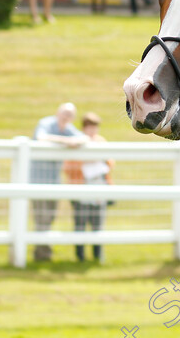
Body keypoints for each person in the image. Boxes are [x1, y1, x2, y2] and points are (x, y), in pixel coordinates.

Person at [31, 102, 86, 261]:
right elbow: (41, 138)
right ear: (58, 113)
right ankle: (42, 254)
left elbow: (83, 139)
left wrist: (65, 141)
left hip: (53, 182)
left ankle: (42, 252)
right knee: (42, 218)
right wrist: (66, 142)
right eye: (64, 114)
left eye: (69, 115)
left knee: (50, 217)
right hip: (38, 182)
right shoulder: (46, 123)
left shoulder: (68, 129)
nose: (66, 117)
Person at [63, 112, 114, 263]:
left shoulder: (101, 142)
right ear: (84, 128)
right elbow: (68, 167)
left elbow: (110, 162)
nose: (92, 130)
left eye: (94, 127)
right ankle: (80, 257)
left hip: (99, 187)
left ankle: (98, 255)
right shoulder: (77, 142)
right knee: (80, 223)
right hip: (81, 187)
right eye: (89, 127)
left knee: (97, 222)